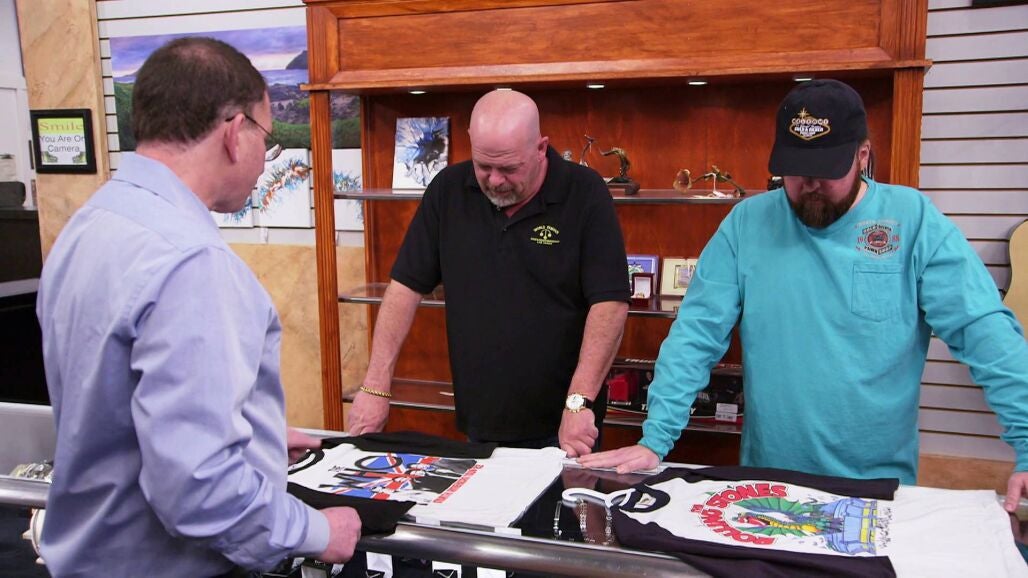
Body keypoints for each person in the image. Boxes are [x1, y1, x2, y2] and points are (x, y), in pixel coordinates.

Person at [580, 79, 1028, 510]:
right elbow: (695, 335)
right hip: (767, 483)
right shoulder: (746, 224)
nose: (810, 184)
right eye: (795, 170)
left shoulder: (913, 221)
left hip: (875, 487)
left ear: (863, 156)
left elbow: (983, 330)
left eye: (826, 170)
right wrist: (656, 437)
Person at [36, 37, 361, 577]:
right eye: (267, 139)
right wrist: (317, 531)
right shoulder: (191, 262)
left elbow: (113, 407)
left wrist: (253, 440)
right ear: (234, 133)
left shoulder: (87, 227)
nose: (264, 160)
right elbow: (197, 486)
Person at [347, 90, 630, 457]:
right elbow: (404, 288)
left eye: (509, 169)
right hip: (479, 420)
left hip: (564, 424)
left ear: (541, 148)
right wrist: (375, 387)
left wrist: (579, 401)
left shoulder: (584, 192)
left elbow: (609, 303)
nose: (495, 181)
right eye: (483, 166)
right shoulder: (448, 190)